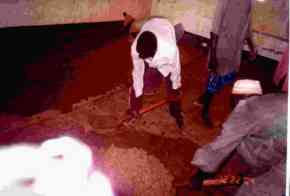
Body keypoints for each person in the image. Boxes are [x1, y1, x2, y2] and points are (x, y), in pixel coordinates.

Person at [189, 93, 287, 196]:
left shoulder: (261, 108)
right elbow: (225, 141)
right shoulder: (266, 108)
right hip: (251, 154)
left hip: (269, 164)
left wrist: (203, 170)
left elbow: (224, 142)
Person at [195, 0, 257, 127]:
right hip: (221, 48)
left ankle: (204, 97)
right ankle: (205, 111)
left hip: (235, 50)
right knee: (215, 79)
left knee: (226, 78)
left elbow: (247, 27)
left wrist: (252, 47)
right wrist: (213, 55)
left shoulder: (249, 2)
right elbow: (215, 29)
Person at [126, 17, 184, 128]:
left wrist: (174, 89)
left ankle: (176, 111)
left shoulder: (170, 49)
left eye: (147, 57)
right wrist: (136, 103)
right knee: (142, 80)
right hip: (151, 26)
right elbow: (137, 74)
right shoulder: (136, 49)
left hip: (166, 28)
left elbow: (176, 70)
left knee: (172, 85)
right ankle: (134, 108)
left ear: (154, 52)